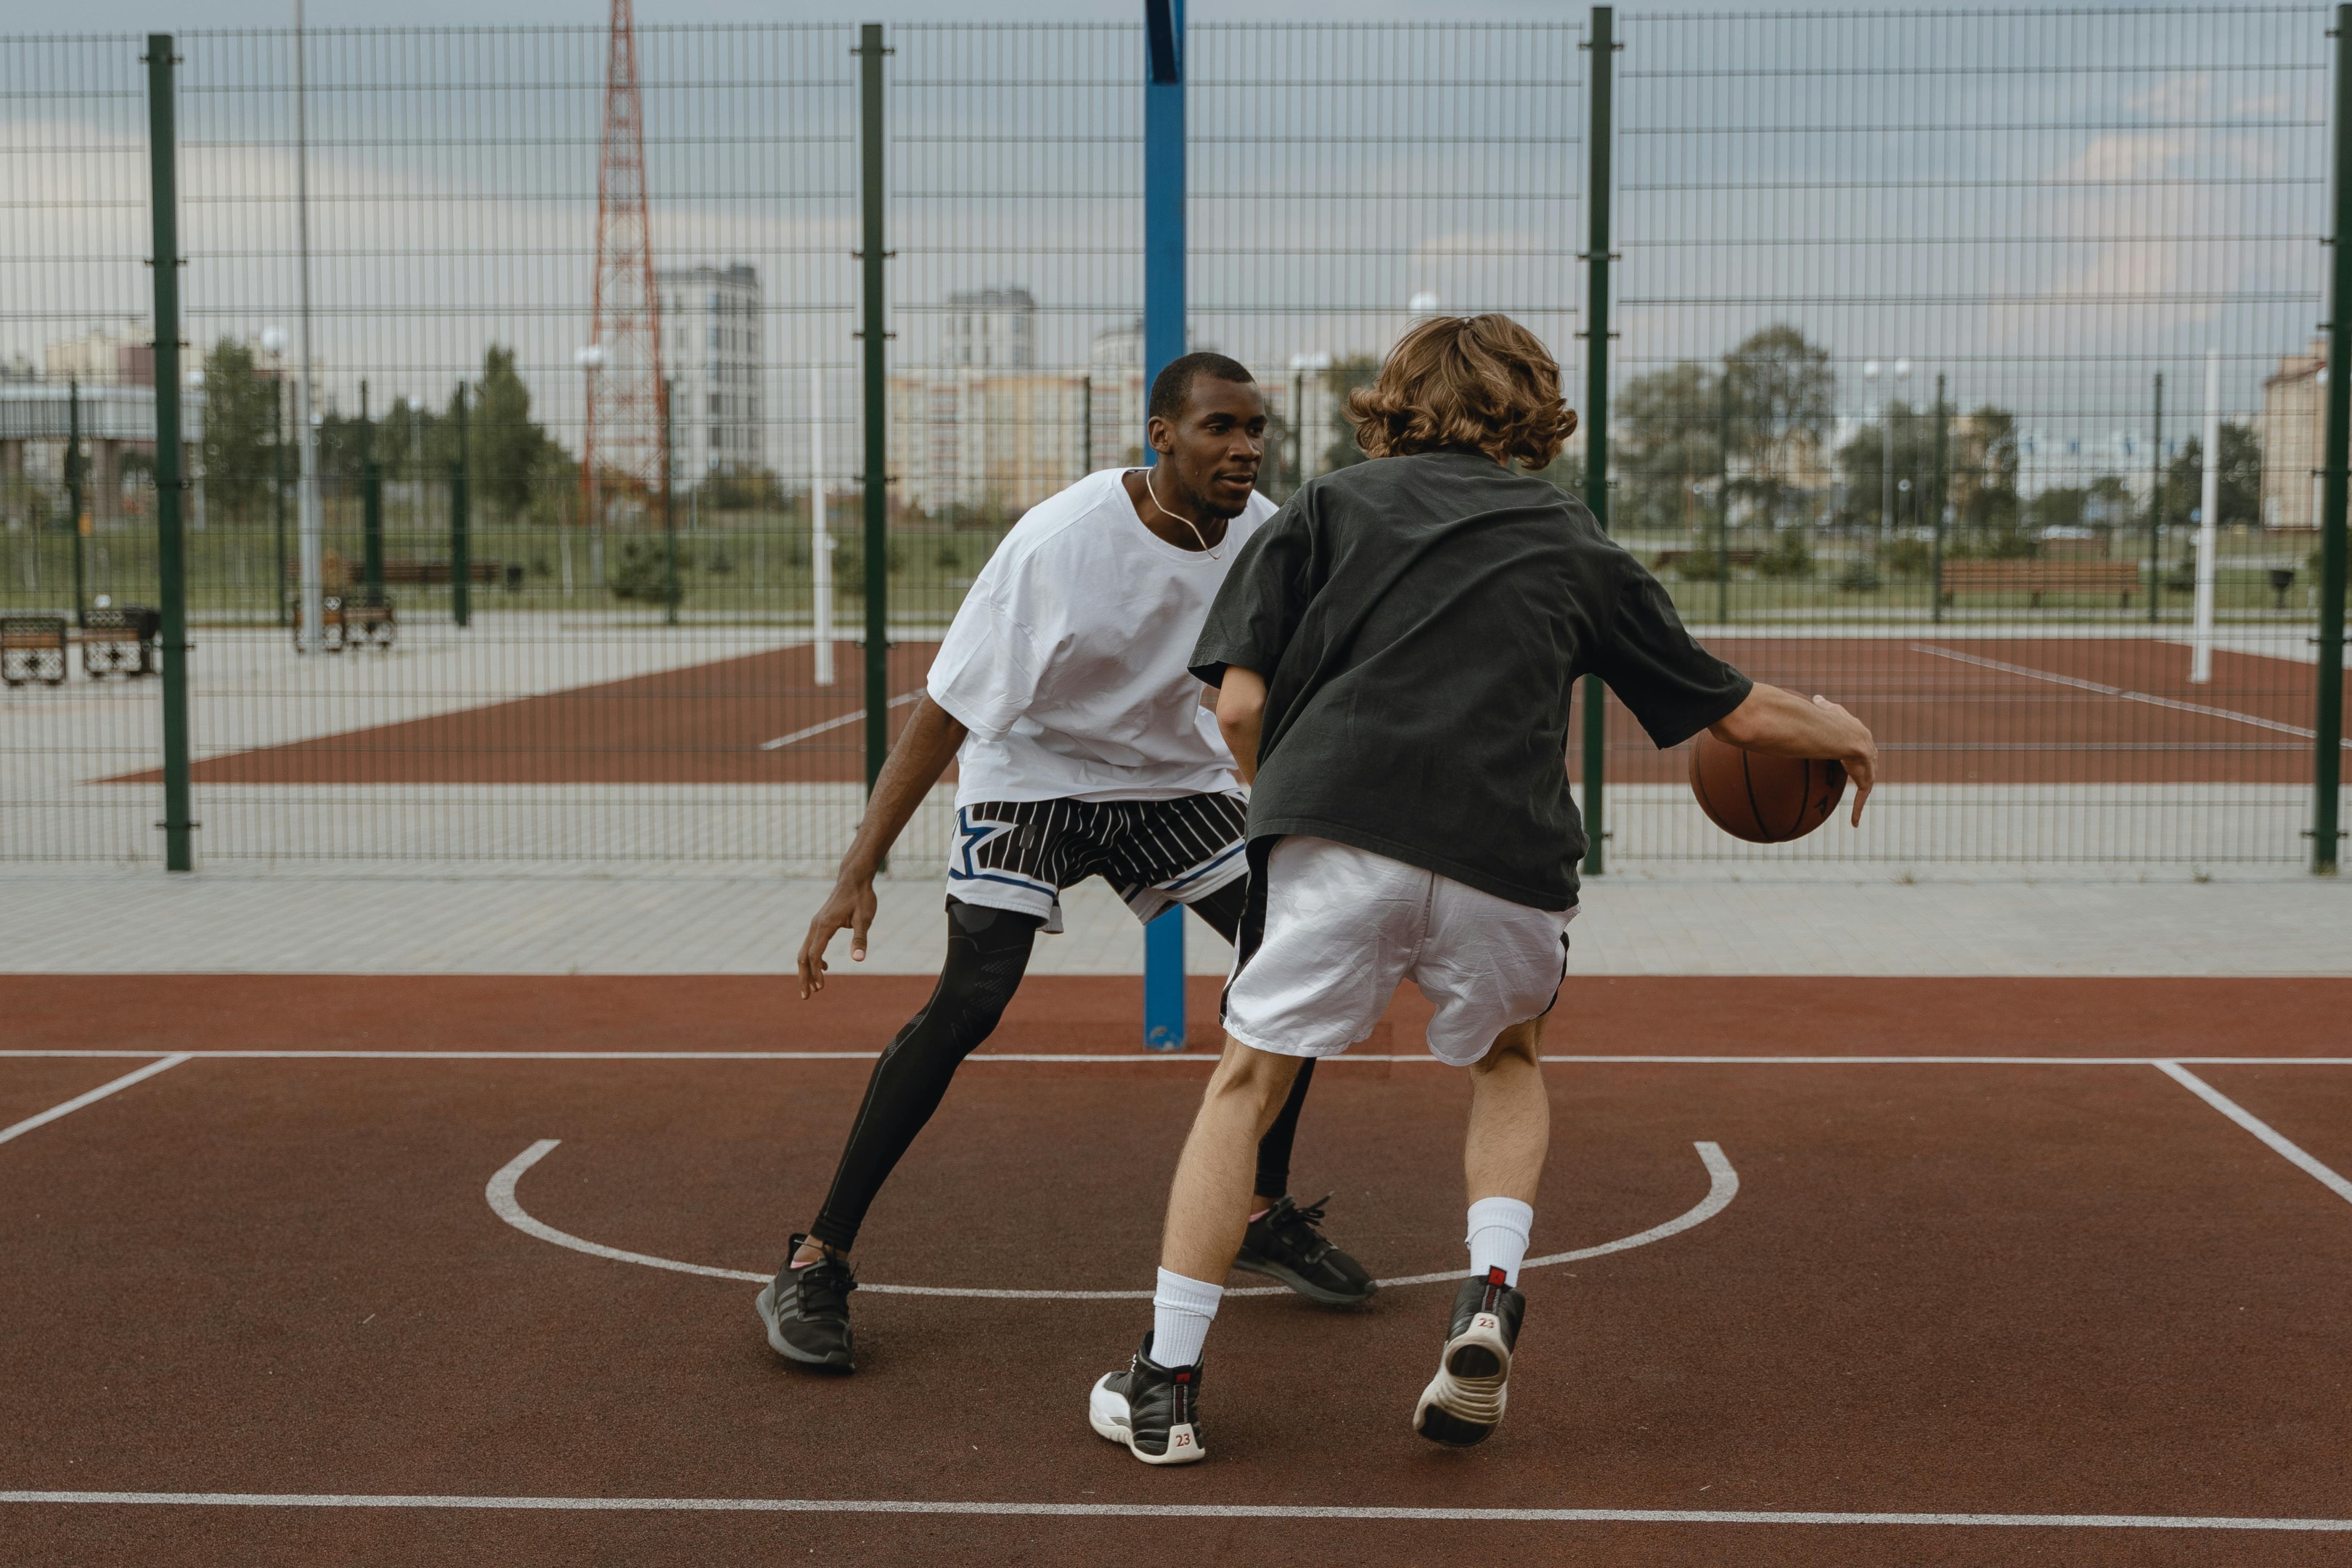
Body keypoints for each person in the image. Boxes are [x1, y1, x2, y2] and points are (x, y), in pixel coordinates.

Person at [1087, 314, 1879, 1464]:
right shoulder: (1569, 533)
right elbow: (1739, 715)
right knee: (1509, 1061)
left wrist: (1289, 813)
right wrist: (1842, 728)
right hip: (1507, 856)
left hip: (1337, 830)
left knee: (1247, 1086)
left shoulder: (1324, 509)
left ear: (1393, 402)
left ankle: (1163, 1389)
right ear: (1533, 406)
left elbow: (1241, 711)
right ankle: (1488, 1298)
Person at [759, 352, 1377, 1376]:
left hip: (1170, 784)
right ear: (1161, 434)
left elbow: (1298, 687)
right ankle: (816, 1255)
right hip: (1032, 771)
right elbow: (948, 708)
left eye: (1257, 428)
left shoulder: (1270, 539)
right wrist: (856, 869)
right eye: (1221, 426)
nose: (1247, 446)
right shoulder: (1062, 540)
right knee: (974, 999)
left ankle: (1260, 1211)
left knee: (1295, 950)